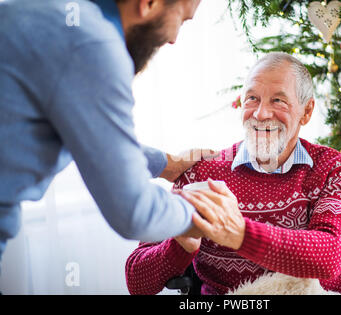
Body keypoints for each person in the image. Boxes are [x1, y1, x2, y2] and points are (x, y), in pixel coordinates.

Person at [125, 52, 341, 295]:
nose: (261, 114)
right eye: (252, 98)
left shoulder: (336, 170)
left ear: (306, 111)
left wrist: (238, 233)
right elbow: (137, 282)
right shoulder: (199, 174)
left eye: (278, 101)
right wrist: (179, 246)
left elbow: (331, 257)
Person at [0, 0, 209, 263]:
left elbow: (95, 137)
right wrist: (203, 213)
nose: (174, 39)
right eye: (181, 19)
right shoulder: (91, 45)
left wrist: (167, 164)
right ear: (149, 3)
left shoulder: (58, 15)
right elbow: (135, 212)